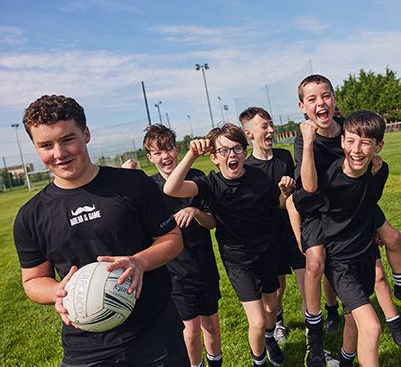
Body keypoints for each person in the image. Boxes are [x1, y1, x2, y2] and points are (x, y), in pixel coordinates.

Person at [13, 95, 190, 367]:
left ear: (86, 134)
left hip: (155, 336)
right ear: (36, 147)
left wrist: (139, 261)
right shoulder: (30, 216)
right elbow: (33, 281)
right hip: (86, 349)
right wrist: (57, 291)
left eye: (67, 139)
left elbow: (172, 239)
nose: (59, 153)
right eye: (46, 145)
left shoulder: (132, 185)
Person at [286, 74, 401, 367]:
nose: (320, 103)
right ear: (302, 107)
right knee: (315, 262)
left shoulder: (350, 128)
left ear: (334, 99)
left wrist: (373, 154)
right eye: (311, 99)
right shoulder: (304, 139)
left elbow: (366, 140)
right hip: (319, 207)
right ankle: (315, 335)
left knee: (393, 239)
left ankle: (388, 303)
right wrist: (309, 144)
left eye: (325, 96)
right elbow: (308, 189)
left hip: (354, 202)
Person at [164, 123, 293, 367]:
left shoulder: (259, 177)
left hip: (266, 252)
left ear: (244, 152)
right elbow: (171, 188)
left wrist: (285, 193)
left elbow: (276, 205)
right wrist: (192, 154)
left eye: (236, 149)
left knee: (272, 307)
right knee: (256, 320)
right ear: (214, 157)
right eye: (223, 151)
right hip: (238, 261)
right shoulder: (209, 184)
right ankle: (259, 361)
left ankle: (269, 338)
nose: (231, 155)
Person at [123, 124, 222, 367]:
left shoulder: (197, 177)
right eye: (157, 152)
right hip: (173, 272)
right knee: (190, 331)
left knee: (211, 325)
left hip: (203, 264)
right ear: (149, 157)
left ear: (177, 150)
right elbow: (124, 215)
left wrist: (195, 210)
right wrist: (124, 177)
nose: (165, 156)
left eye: (168, 149)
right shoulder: (147, 187)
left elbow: (211, 223)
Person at [239, 107, 306, 345]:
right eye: (264, 126)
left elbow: (296, 195)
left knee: (306, 283)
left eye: (270, 125)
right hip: (268, 240)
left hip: (294, 232)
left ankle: (313, 333)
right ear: (248, 133)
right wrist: (280, 196)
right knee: (277, 289)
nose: (270, 130)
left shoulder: (285, 157)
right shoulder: (247, 169)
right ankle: (278, 323)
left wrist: (290, 191)